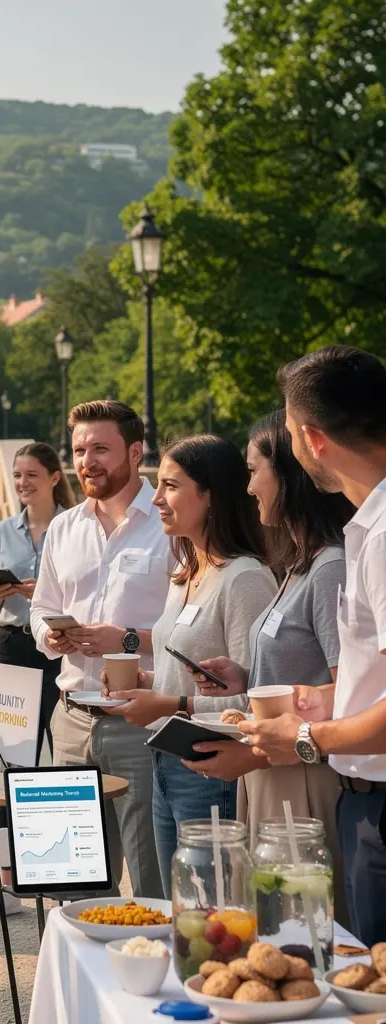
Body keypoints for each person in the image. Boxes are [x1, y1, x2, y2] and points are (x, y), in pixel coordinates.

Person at [174, 411, 352, 925]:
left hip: (304, 777)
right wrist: (243, 682)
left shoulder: (330, 567)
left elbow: (350, 692)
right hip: (272, 769)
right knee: (271, 924)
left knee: (301, 929)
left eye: (255, 470)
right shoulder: (300, 564)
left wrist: (253, 755)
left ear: (290, 474)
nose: (249, 487)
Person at [239, 345, 386, 944]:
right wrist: (334, 698)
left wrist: (303, 737)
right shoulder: (367, 528)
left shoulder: (380, 536)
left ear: (313, 438)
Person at [102, 435, 277, 898]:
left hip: (211, 768)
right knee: (179, 912)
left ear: (211, 495)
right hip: (165, 760)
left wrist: (168, 701)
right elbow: (200, 673)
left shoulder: (245, 579)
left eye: (170, 486)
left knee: (211, 914)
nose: (156, 498)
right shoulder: (186, 571)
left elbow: (255, 700)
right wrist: (142, 682)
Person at [29, 400, 171, 900]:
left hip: (143, 724)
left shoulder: (169, 525)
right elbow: (41, 607)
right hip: (69, 723)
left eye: (100, 449)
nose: (86, 461)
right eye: (79, 450)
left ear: (135, 452)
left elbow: (196, 638)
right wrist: (51, 634)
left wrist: (127, 640)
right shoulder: (64, 528)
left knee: (154, 882)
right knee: (74, 886)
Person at [0, 441, 76, 922]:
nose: (22, 483)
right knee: (9, 765)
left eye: (32, 474)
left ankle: (62, 884)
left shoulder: (75, 528)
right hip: (11, 644)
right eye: (17, 475)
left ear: (55, 477)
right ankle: (8, 885)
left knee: (65, 764)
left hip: (61, 648)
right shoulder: (1, 532)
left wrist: (43, 592)